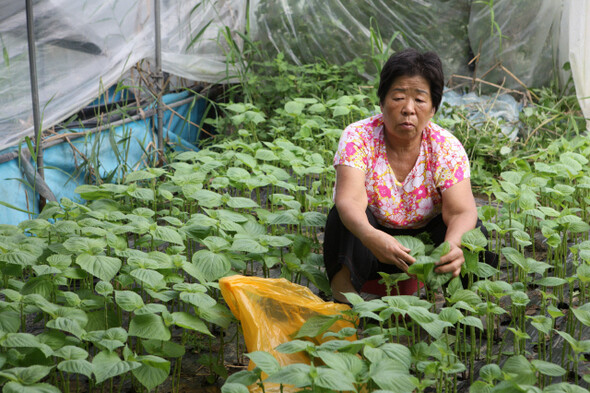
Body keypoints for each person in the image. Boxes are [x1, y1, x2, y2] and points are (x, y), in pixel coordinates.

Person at [323, 48, 493, 304]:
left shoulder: (446, 147)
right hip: (374, 240)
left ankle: (465, 310)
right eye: (398, 97)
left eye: (420, 100)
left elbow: (461, 211)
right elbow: (349, 201)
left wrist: (453, 246)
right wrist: (370, 236)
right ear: (381, 102)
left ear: (433, 108)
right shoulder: (358, 137)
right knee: (341, 219)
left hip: (425, 247)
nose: (408, 109)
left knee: (473, 235)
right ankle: (343, 308)